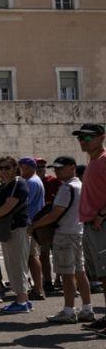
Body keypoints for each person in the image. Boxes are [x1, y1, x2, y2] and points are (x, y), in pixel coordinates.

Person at [34, 157, 93, 324]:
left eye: (61, 168)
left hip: (65, 233)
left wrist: (35, 225)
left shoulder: (67, 188)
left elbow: (55, 213)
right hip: (78, 232)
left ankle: (68, 310)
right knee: (80, 272)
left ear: (72, 167)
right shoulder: (80, 185)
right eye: (56, 168)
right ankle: (87, 308)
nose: (57, 171)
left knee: (67, 274)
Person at [73, 123, 106, 332]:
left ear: (101, 137)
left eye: (87, 138)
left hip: (101, 223)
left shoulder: (104, 160)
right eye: (80, 138)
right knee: (102, 276)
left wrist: (101, 214)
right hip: (91, 224)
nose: (83, 141)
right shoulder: (93, 161)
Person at [0, 157, 32, 313]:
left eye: (7, 168)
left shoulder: (18, 183)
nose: (3, 171)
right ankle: (22, 299)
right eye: (0, 168)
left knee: (17, 264)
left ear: (15, 167)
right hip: (8, 229)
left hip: (17, 227)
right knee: (11, 264)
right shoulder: (5, 185)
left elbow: (9, 205)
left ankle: (21, 301)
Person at [19, 157, 46, 300]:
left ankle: (38, 288)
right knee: (31, 256)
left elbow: (24, 203)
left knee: (32, 256)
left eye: (21, 167)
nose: (20, 170)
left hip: (30, 224)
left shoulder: (31, 182)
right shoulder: (34, 181)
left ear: (28, 167)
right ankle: (36, 287)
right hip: (32, 223)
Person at [36, 157, 60, 293]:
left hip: (55, 222)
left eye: (41, 167)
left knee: (58, 253)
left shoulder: (53, 181)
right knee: (43, 254)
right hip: (42, 224)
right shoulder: (33, 182)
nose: (40, 170)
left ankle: (58, 278)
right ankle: (48, 281)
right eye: (37, 167)